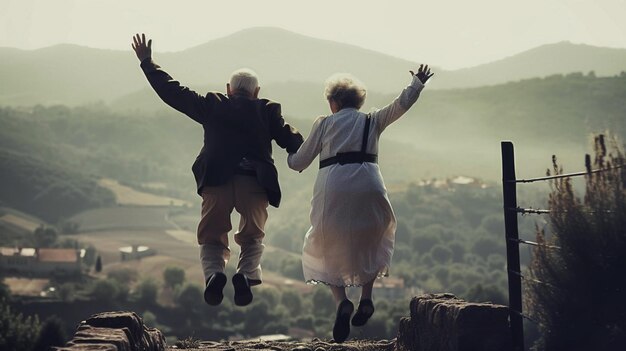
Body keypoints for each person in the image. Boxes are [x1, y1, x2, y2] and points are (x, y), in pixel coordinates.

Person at [131, 33, 304, 307]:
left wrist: (148, 63)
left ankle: (213, 275)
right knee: (252, 237)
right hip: (254, 184)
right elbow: (292, 141)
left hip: (217, 182)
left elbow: (174, 93)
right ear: (257, 92)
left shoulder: (213, 104)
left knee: (211, 237)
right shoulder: (267, 111)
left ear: (228, 89)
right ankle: (246, 276)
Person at [287, 65, 433, 342]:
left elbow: (299, 162)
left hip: (334, 185)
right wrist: (417, 83)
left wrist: (288, 156)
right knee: (373, 236)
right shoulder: (372, 120)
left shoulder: (324, 123)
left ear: (335, 102)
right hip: (369, 182)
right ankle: (366, 298)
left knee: (325, 239)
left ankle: (341, 300)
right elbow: (401, 104)